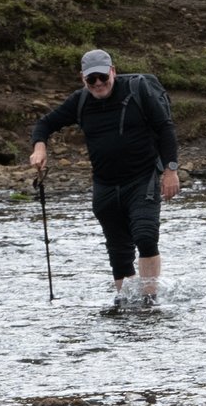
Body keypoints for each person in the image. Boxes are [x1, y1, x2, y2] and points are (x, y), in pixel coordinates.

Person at [27, 49, 179, 299]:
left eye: (102, 77)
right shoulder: (80, 101)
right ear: (82, 79)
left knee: (145, 235)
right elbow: (44, 124)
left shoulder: (137, 91)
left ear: (113, 72)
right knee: (118, 251)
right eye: (91, 79)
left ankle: (149, 300)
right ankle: (127, 302)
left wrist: (170, 171)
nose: (98, 84)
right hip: (105, 185)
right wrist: (40, 147)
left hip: (142, 178)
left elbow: (165, 129)